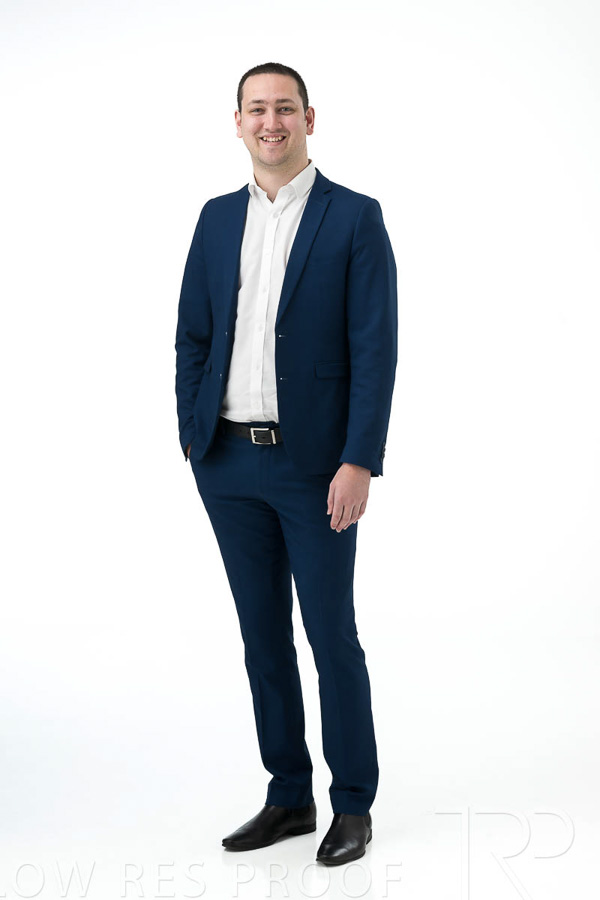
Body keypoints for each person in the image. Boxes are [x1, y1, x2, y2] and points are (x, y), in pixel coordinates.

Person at [175, 61, 397, 866]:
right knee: (262, 638)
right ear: (237, 122)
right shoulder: (214, 218)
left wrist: (359, 460)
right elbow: (193, 334)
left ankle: (353, 804)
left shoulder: (354, 217)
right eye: (256, 109)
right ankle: (289, 795)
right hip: (227, 463)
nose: (270, 121)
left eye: (284, 108)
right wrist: (193, 433)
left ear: (309, 117)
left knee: (330, 635)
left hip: (316, 469)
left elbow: (375, 349)